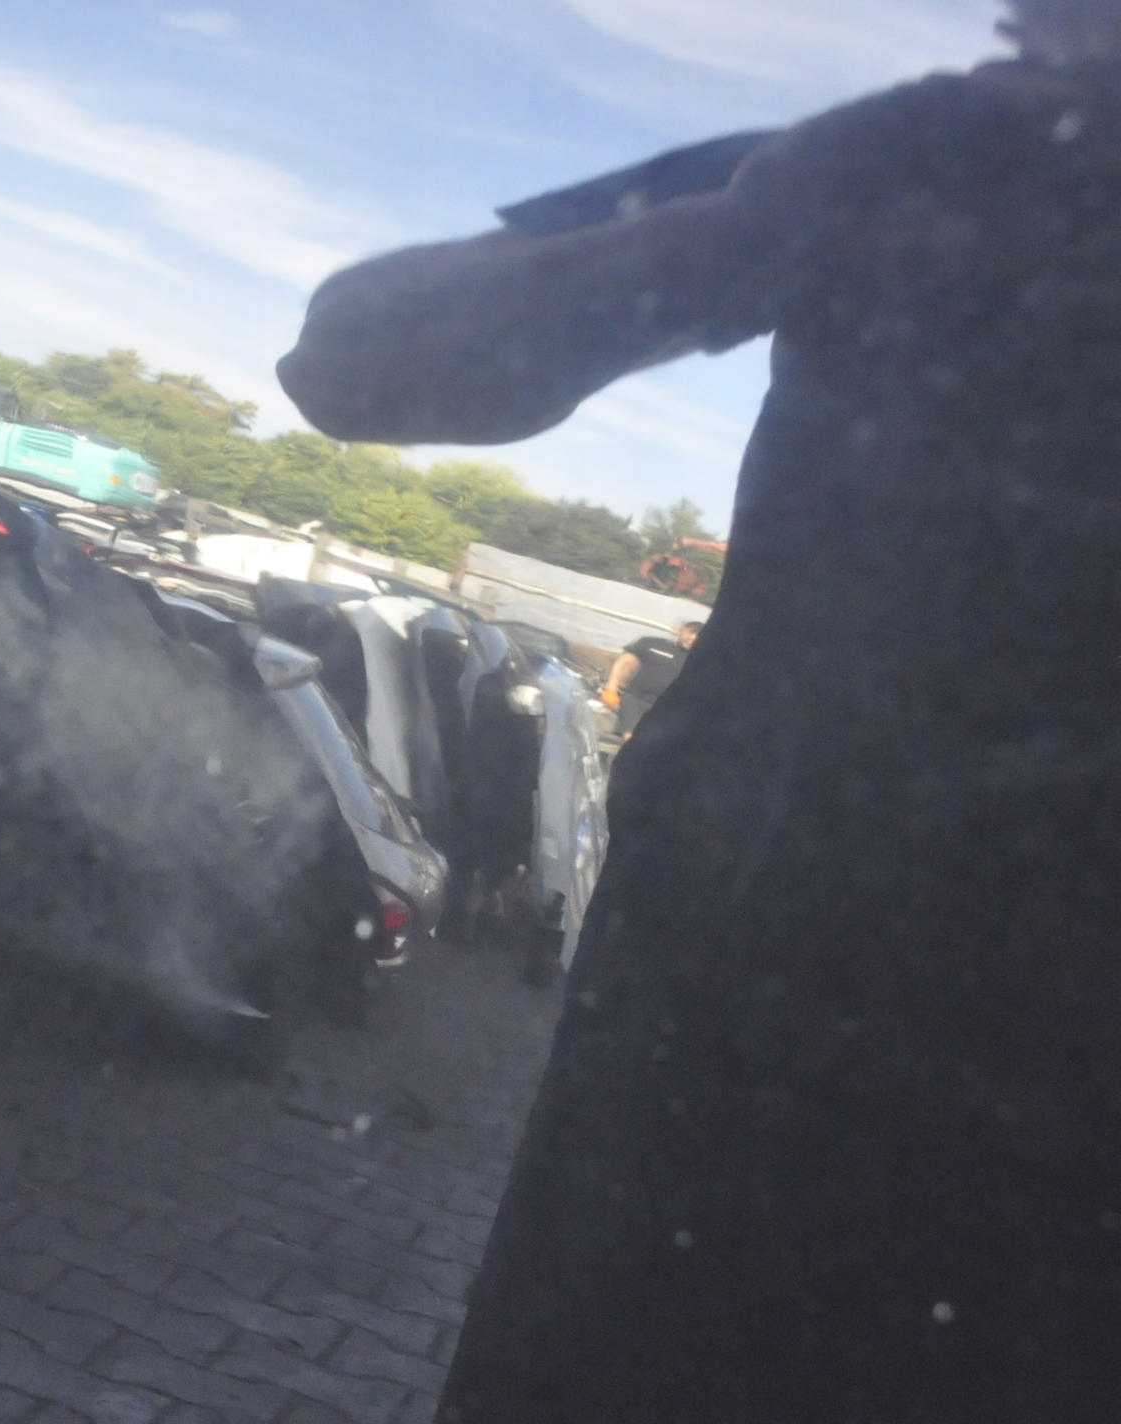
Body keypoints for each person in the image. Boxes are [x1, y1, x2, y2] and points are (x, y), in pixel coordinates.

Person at [277, 3, 1121, 1421]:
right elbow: (354, 360)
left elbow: (355, 356)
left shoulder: (917, 160)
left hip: (748, 1012)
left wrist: (782, 209)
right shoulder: (914, 159)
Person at [600, 620, 701, 740]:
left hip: (668, 709)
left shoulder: (702, 660)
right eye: (691, 632)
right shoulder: (652, 643)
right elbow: (625, 663)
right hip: (635, 700)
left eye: (698, 635)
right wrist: (611, 688)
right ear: (681, 630)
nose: (692, 637)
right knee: (632, 738)